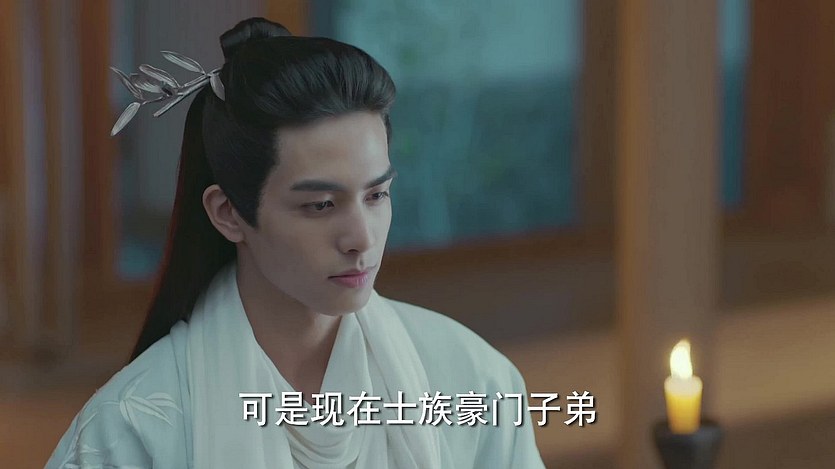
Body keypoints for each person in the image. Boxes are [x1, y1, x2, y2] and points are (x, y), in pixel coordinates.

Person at [46, 17, 546, 469]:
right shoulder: (135, 427)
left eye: (376, 195)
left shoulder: (471, 379)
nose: (361, 238)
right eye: (321, 205)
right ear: (228, 213)